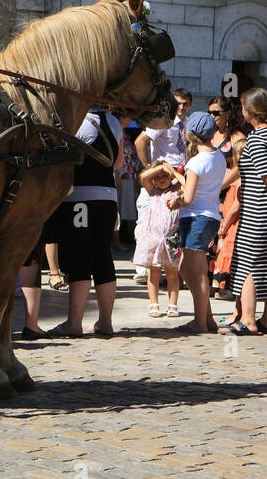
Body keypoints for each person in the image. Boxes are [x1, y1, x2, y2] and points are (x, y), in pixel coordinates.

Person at [48, 108, 124, 337]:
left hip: (81, 199)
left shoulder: (77, 118)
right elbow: (118, 163)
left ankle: (74, 323)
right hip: (108, 198)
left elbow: (65, 159)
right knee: (102, 256)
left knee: (80, 256)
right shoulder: (114, 121)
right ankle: (105, 322)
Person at [226, 89, 267, 334]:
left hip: (259, 211)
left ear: (249, 110)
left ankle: (248, 320)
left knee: (249, 263)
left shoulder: (257, 139)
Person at [166, 111, 227, 333]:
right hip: (209, 216)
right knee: (185, 268)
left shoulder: (195, 162)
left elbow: (189, 197)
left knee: (199, 274)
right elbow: (199, 187)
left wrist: (176, 201)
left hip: (195, 219)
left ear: (191, 135)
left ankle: (200, 322)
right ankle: (207, 317)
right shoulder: (218, 157)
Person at [133, 162, 182, 317]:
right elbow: (143, 177)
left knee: (172, 273)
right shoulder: (152, 192)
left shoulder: (177, 191)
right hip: (153, 239)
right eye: (157, 176)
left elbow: (187, 184)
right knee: (153, 272)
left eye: (164, 175)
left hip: (171, 239)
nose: (161, 178)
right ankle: (154, 304)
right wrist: (160, 168)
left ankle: (173, 305)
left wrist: (172, 171)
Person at [212, 138, 246, 306]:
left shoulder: (241, 178)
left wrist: (225, 224)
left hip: (233, 222)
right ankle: (221, 286)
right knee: (224, 252)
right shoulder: (236, 175)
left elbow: (235, 207)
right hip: (228, 219)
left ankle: (226, 288)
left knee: (228, 253)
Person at [136, 88, 191, 168]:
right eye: (178, 103)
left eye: (185, 104)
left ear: (190, 105)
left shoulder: (190, 123)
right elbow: (140, 142)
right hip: (165, 171)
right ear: (172, 104)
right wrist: (149, 168)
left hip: (185, 170)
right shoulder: (163, 121)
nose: (181, 107)